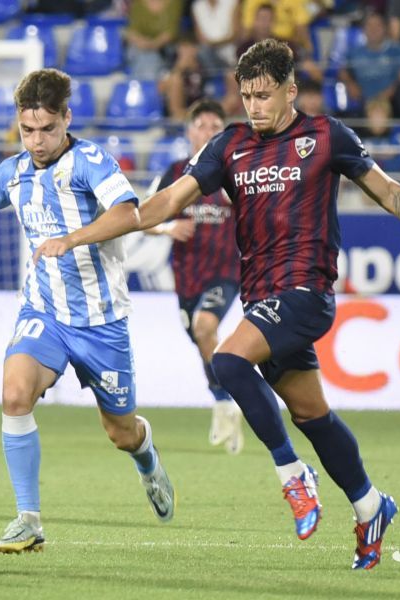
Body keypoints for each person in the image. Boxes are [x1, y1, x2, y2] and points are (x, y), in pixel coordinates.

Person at [86, 39, 400, 569]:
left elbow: (390, 191)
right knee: (312, 414)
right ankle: (370, 505)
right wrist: (98, 228)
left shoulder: (326, 136)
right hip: (262, 297)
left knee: (226, 360)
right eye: (246, 95)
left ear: (290, 90)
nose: (254, 106)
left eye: (263, 95)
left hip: (307, 292)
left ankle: (293, 475)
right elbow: (168, 201)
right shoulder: (229, 146)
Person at [0, 68, 175, 554]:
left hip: (102, 322)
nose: (36, 140)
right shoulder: (11, 173)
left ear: (66, 118)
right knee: (14, 394)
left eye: (47, 129)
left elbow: (126, 213)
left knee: (121, 431)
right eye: (27, 129)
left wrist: (69, 240)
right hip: (45, 313)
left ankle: (146, 458)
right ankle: (28, 519)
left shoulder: (91, 161)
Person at [146, 99, 243, 455]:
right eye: (201, 125)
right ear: (189, 132)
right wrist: (170, 227)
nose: (208, 131)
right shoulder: (175, 173)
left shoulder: (235, 172)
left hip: (226, 271)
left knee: (205, 326)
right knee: (200, 337)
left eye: (215, 126)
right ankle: (225, 398)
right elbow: (142, 216)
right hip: (187, 275)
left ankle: (223, 401)